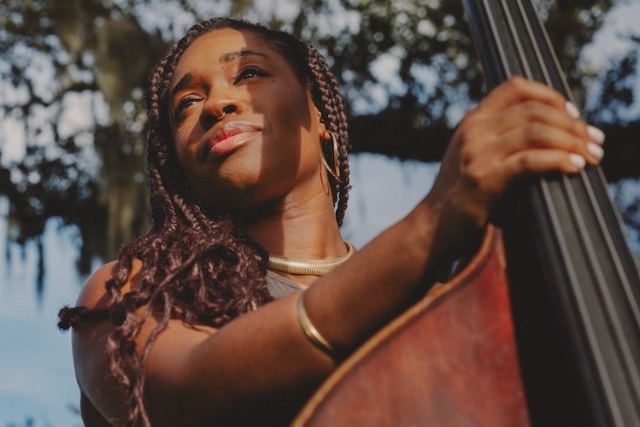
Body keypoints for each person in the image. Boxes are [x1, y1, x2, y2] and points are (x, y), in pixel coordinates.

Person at [57, 17, 605, 426]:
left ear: (318, 115)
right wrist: (436, 221)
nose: (217, 104)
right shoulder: (134, 293)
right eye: (187, 104)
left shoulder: (447, 307)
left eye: (249, 74)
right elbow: (188, 389)